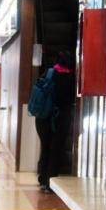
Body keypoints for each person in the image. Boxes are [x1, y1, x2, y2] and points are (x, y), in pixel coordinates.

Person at [36, 51, 75, 193]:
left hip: (43, 117)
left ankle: (42, 178)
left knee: (45, 147)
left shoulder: (49, 73)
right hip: (61, 118)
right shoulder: (71, 78)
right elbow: (70, 100)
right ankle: (50, 182)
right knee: (56, 149)